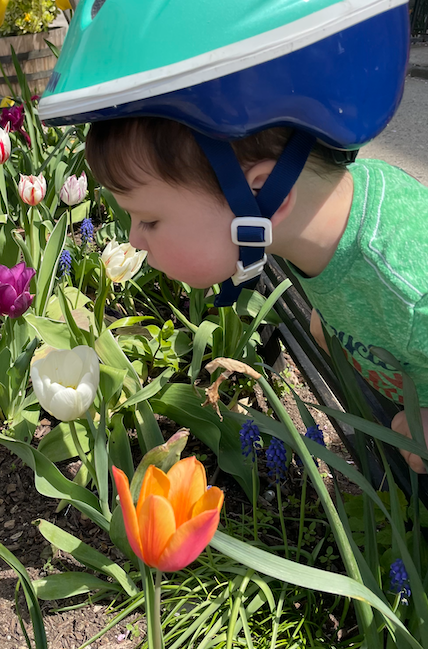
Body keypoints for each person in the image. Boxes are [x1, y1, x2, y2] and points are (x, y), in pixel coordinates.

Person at [38, 0, 428, 471]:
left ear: (259, 193)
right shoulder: (318, 225)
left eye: (150, 220)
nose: (135, 240)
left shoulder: (405, 285)